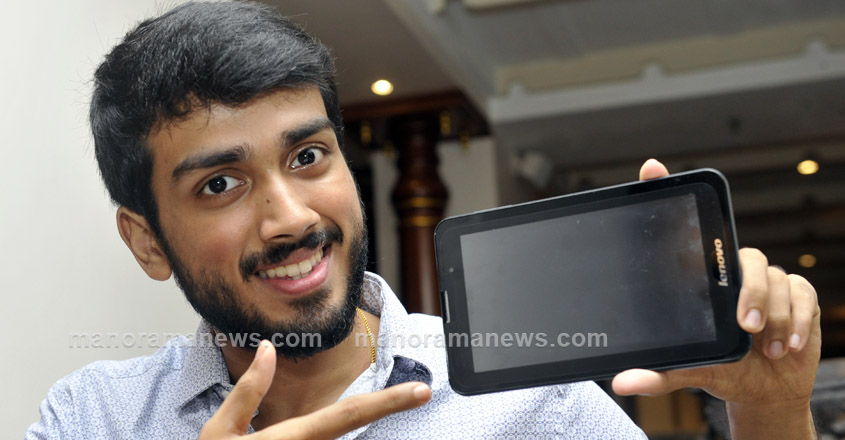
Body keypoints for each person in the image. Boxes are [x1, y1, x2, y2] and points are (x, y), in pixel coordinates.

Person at [27, 2, 820, 439]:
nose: (291, 216)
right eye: (222, 184)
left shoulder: (531, 408)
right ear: (145, 240)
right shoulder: (92, 417)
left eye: (308, 157)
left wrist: (772, 411)